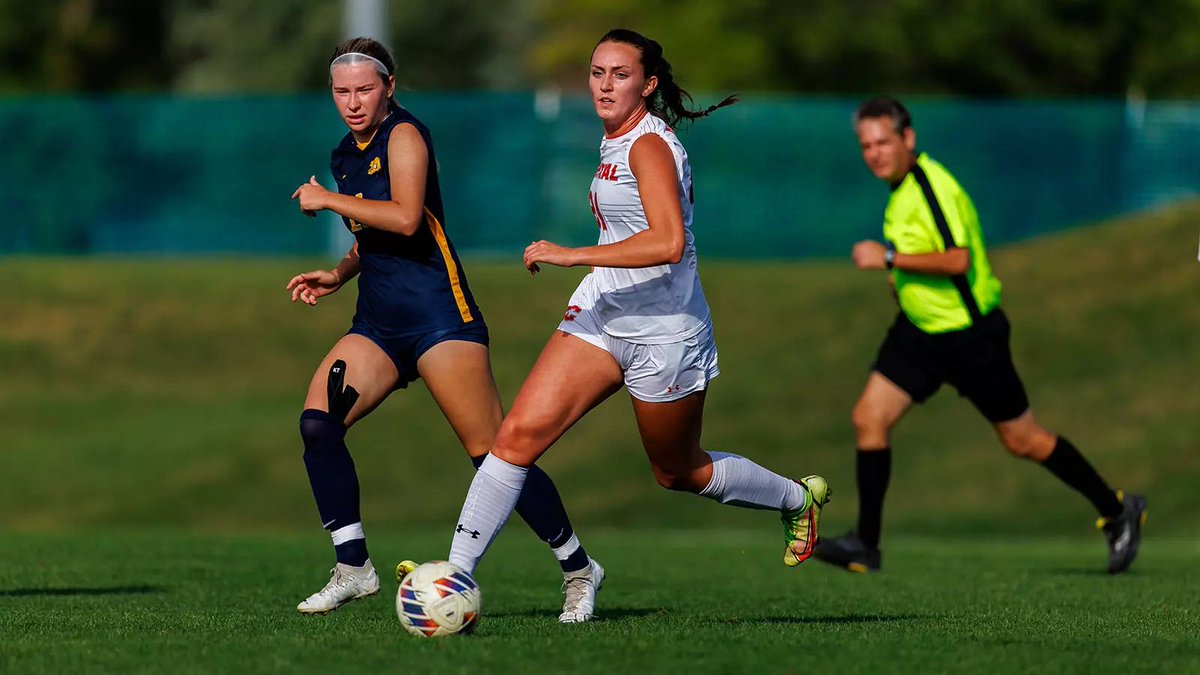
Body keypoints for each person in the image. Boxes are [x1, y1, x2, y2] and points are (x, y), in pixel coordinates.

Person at [435, 29, 831, 623]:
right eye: (597, 72)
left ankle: (797, 499)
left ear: (647, 85)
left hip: (666, 330)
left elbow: (670, 241)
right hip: (602, 314)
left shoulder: (647, 146)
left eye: (620, 75)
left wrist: (573, 254)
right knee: (514, 439)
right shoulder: (614, 138)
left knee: (678, 471)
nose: (604, 85)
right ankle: (454, 578)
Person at [287, 37, 598, 619]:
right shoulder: (343, 153)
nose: (353, 101)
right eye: (341, 91)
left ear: (389, 89)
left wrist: (328, 200)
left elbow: (406, 219)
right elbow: (372, 235)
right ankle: (353, 567)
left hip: (438, 318)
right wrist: (339, 272)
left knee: (496, 456)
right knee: (317, 426)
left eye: (365, 89)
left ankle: (579, 568)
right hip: (378, 324)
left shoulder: (404, 135)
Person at [814, 96, 1146, 575]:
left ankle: (1118, 511)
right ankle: (866, 544)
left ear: (908, 139)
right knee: (869, 417)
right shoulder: (901, 187)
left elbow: (958, 260)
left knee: (1024, 440)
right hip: (920, 334)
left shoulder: (932, 187)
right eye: (866, 145)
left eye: (884, 141)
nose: (875, 153)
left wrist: (887, 259)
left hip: (970, 339)